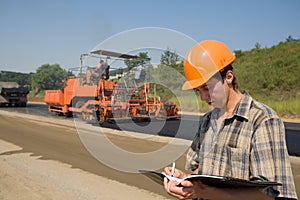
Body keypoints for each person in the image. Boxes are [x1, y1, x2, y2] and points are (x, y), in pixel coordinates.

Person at [163, 40, 297, 200]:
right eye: (198, 90)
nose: (203, 97)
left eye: (207, 88)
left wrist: (202, 192)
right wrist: (184, 180)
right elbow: (199, 172)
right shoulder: (207, 121)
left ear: (228, 77)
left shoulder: (262, 120)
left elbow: (270, 195)